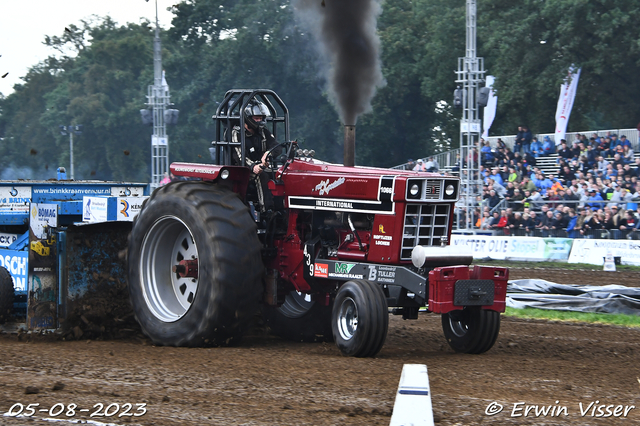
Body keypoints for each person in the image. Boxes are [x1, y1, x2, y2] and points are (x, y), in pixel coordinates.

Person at [231, 99, 280, 213]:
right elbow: (239, 156)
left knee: (279, 175)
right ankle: (266, 211)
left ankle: (281, 209)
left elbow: (276, 146)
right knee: (261, 176)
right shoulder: (237, 133)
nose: (260, 121)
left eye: (261, 118)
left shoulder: (263, 131)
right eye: (256, 118)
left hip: (262, 166)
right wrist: (253, 166)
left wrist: (268, 153)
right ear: (248, 118)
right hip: (243, 170)